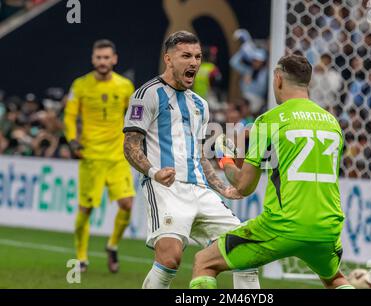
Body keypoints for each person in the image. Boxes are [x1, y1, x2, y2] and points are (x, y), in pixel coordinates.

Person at [189, 54, 354, 289]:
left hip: (283, 225)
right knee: (336, 279)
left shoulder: (269, 120)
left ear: (278, 79)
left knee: (204, 261)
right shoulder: (332, 122)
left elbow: (244, 186)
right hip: (328, 228)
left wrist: (225, 158)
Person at [122, 30, 260, 289]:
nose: (194, 62)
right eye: (186, 56)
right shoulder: (147, 94)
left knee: (246, 250)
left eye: (197, 56)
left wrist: (222, 187)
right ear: (169, 59)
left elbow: (198, 154)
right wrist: (154, 172)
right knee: (170, 257)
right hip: (166, 189)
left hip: (201, 189)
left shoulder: (200, 104)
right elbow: (130, 145)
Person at [63, 39, 135, 273]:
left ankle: (112, 245)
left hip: (117, 156)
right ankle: (82, 257)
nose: (103, 62)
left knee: (127, 204)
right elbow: (70, 116)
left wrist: (135, 139)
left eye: (107, 58)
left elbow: (134, 116)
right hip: (90, 155)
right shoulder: (80, 85)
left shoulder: (125, 86)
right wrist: (72, 140)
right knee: (86, 209)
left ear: (114, 59)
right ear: (93, 59)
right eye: (98, 58)